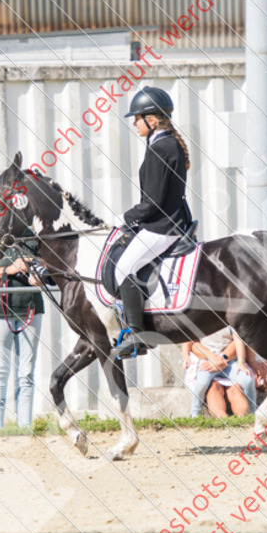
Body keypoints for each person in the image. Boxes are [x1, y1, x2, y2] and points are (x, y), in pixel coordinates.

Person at [111, 86, 193, 358]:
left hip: (163, 226)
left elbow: (153, 202)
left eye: (137, 118)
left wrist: (126, 217)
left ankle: (137, 335)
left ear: (153, 119)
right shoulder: (166, 144)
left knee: (124, 268)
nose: (134, 123)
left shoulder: (161, 148)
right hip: (170, 221)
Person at [0, 232, 44, 429]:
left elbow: (47, 272)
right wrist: (10, 270)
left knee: (27, 372)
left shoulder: (33, 237)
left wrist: (38, 277)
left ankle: (25, 428)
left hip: (31, 309)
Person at [183, 328, 257, 417]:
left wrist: (240, 362)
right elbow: (189, 339)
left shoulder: (230, 321)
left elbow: (238, 339)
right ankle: (194, 413)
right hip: (207, 361)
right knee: (202, 382)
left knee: (247, 379)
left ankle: (253, 412)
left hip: (229, 362)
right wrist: (186, 356)